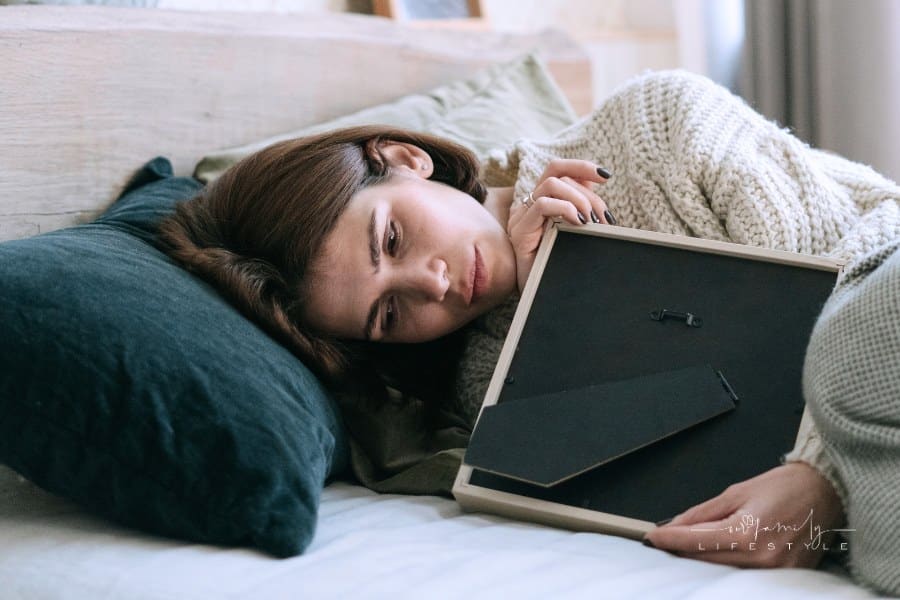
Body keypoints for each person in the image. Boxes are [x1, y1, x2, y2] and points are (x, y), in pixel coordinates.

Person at [161, 70, 900, 594]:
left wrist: (823, 480)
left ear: (407, 160)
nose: (432, 285)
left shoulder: (652, 128)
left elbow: (848, 279)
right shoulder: (488, 398)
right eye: (388, 315)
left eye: (391, 240)